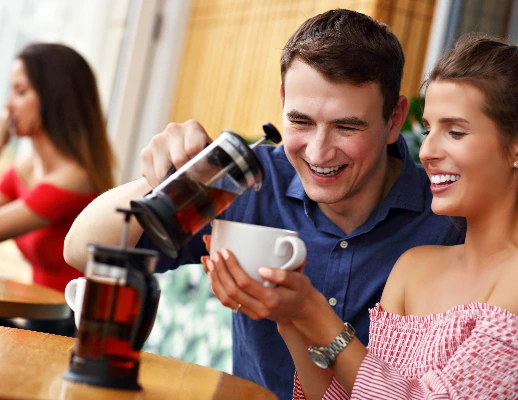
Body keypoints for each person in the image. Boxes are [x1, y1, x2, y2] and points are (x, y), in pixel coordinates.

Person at [63, 9, 464, 399]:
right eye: (301, 122)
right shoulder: (245, 181)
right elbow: (83, 252)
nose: (320, 152)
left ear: (394, 119)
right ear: (283, 100)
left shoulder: (447, 216)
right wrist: (162, 181)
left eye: (346, 126)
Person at [204, 35, 518, 398]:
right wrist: (289, 316)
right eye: (430, 128)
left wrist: (314, 313)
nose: (428, 151)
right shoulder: (414, 267)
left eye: (455, 131)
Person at [0, 43, 115, 334]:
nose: (8, 105)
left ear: (52, 99)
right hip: (43, 315)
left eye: (20, 92)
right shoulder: (26, 168)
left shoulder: (75, 179)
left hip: (78, 325)